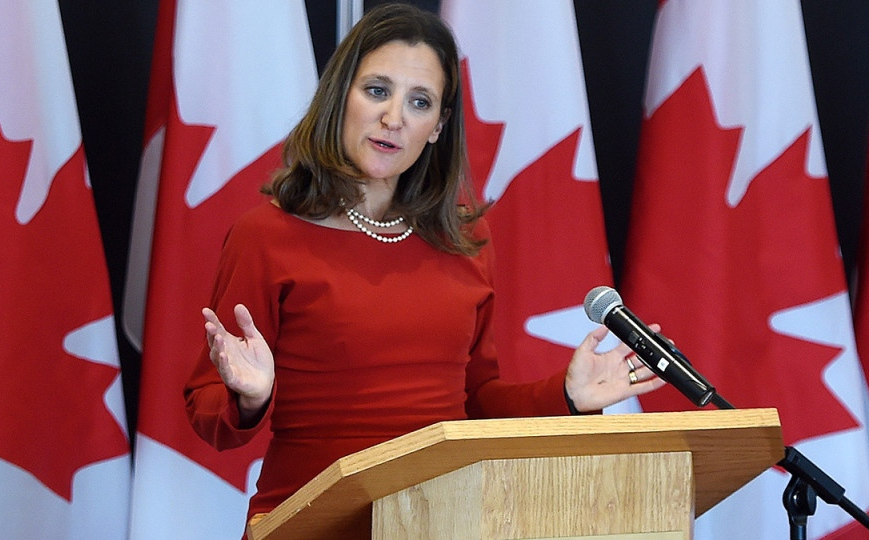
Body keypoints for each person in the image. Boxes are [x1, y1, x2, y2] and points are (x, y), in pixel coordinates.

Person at [184, 1, 664, 528]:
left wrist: (568, 396)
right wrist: (249, 398)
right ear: (340, 95)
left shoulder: (465, 239)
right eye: (377, 90)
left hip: (443, 522)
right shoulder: (267, 236)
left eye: (420, 101)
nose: (394, 118)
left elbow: (476, 404)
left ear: (438, 125)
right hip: (312, 523)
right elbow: (207, 409)